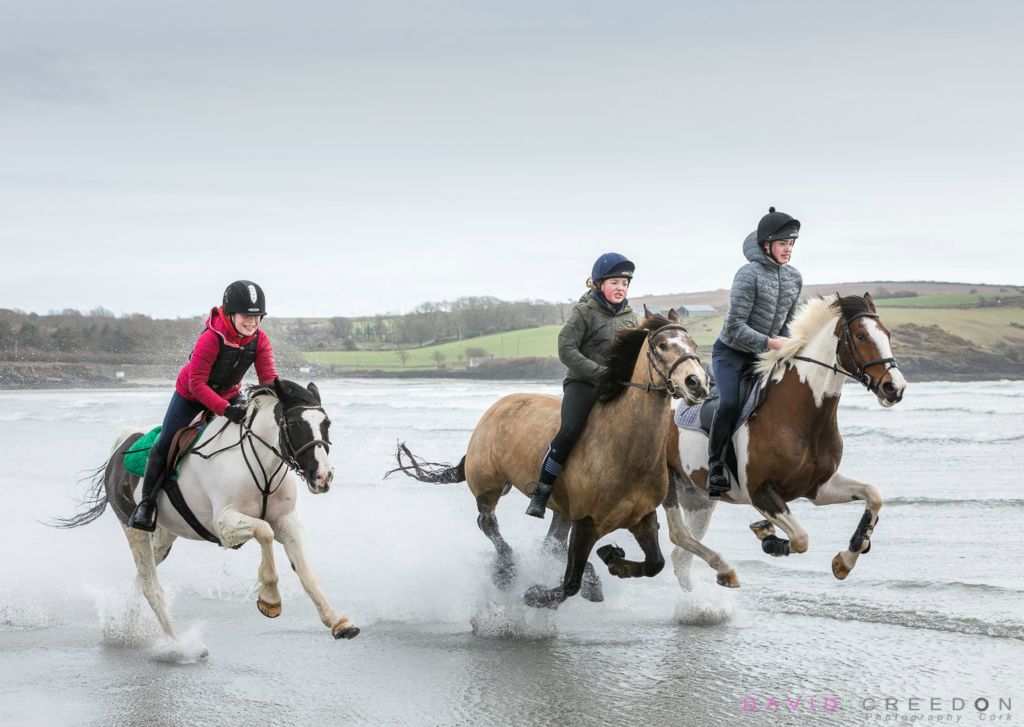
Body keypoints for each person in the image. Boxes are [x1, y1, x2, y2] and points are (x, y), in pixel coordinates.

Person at [127, 280, 278, 531]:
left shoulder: (260, 340)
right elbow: (197, 384)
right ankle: (147, 505)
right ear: (230, 314)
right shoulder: (211, 338)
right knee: (166, 441)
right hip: (190, 395)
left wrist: (283, 398)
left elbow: (269, 381)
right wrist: (225, 409)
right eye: (246, 317)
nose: (252, 323)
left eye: (257, 317)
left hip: (230, 394)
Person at [525, 253, 639, 518]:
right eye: (615, 282)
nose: (620, 288)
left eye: (625, 283)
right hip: (583, 384)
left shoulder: (631, 317)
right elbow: (566, 349)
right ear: (598, 284)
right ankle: (541, 492)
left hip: (618, 387)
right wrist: (599, 373)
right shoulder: (584, 311)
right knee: (569, 431)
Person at [706, 207, 803, 498]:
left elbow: (788, 323)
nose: (788, 249)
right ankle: (716, 467)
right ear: (766, 245)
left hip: (768, 353)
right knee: (730, 404)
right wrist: (772, 344)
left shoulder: (794, 278)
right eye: (783, 243)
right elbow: (735, 326)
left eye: (791, 243)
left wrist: (788, 346)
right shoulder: (747, 275)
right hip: (732, 354)